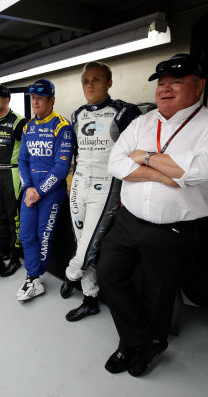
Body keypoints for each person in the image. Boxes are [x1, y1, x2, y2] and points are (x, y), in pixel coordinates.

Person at [97, 54, 208, 376]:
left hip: (173, 229)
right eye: (161, 83)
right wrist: (165, 173)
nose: (165, 89)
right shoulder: (142, 122)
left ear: (199, 86)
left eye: (176, 82)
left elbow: (200, 171)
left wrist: (143, 156)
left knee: (158, 294)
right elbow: (116, 164)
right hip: (128, 221)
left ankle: (145, 343)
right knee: (109, 274)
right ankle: (139, 339)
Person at [60, 62, 142, 322]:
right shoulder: (78, 114)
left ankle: (71, 273)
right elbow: (75, 152)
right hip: (78, 181)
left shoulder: (124, 112)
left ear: (109, 83)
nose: (90, 85)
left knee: (89, 243)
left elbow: (137, 154)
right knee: (81, 238)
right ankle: (90, 298)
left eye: (96, 79)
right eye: (85, 81)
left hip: (106, 184)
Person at [17, 79, 73, 302]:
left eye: (40, 98)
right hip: (31, 190)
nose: (35, 102)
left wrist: (39, 191)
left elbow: (62, 167)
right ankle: (34, 277)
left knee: (43, 236)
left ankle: (34, 276)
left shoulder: (62, 127)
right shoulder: (28, 127)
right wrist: (29, 187)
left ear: (52, 100)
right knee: (25, 235)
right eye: (33, 98)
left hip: (51, 192)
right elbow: (23, 161)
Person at [0, 85, 28, 277]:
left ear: (6, 100)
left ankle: (16, 257)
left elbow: (28, 154)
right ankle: (3, 251)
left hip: (14, 174)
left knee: (13, 217)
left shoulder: (19, 121)